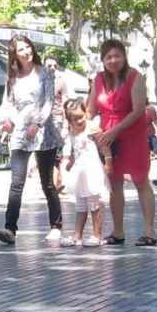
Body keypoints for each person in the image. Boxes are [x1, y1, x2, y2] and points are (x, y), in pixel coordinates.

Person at [0, 34, 62, 245]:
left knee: (47, 183)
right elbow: (8, 105)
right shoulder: (12, 78)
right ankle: (9, 229)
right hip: (21, 132)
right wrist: (0, 122)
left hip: (43, 132)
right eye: (21, 49)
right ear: (15, 54)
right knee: (16, 183)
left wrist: (38, 123)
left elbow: (48, 102)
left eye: (28, 47)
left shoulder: (46, 73)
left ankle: (56, 225)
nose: (26, 51)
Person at [87, 38, 157, 245]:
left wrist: (115, 130)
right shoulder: (98, 79)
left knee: (140, 180)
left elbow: (138, 110)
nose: (113, 60)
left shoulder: (135, 77)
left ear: (124, 57)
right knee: (114, 184)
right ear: (102, 60)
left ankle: (149, 232)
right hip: (107, 137)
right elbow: (91, 109)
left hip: (132, 134)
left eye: (117, 55)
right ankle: (118, 231)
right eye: (108, 57)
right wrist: (85, 124)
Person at [59, 98, 109, 246]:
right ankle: (77, 235)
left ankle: (97, 235)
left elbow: (104, 146)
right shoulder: (72, 130)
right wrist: (71, 162)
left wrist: (109, 162)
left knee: (95, 202)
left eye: (81, 117)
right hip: (80, 171)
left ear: (86, 113)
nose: (79, 121)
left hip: (92, 169)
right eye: (74, 119)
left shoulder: (92, 128)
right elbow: (75, 149)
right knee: (80, 203)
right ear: (69, 120)